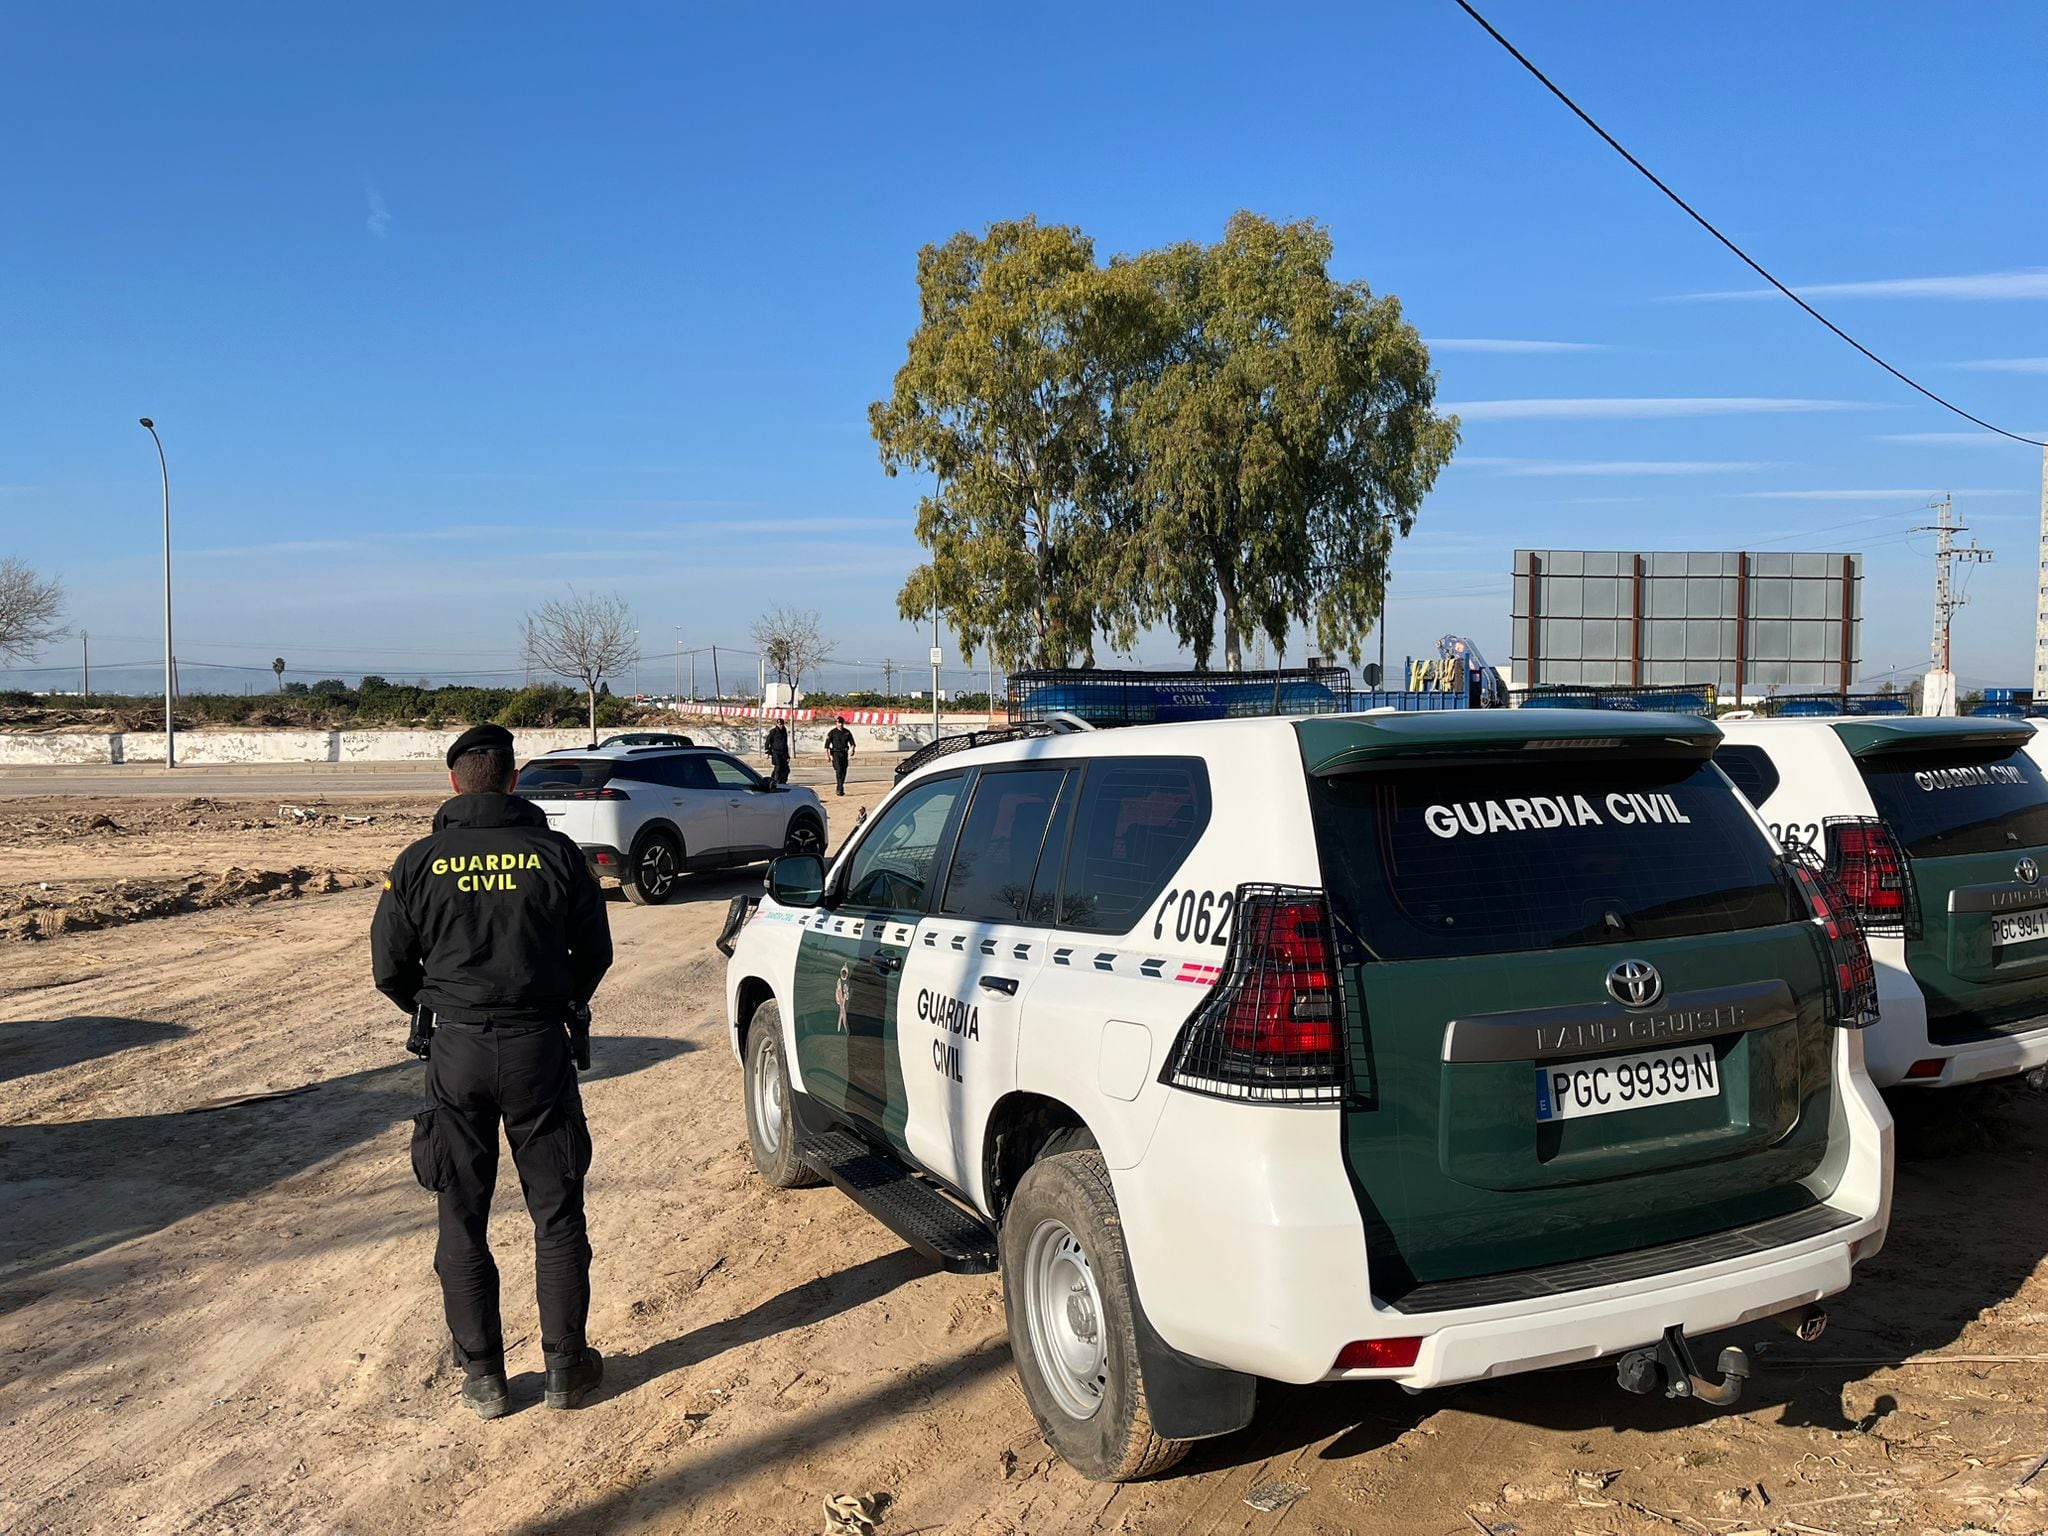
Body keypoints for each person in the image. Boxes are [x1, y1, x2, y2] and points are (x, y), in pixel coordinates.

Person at [371, 723, 614, 1421]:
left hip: (456, 1051)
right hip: (538, 1047)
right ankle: (567, 1367)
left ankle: (484, 1376)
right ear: (513, 782)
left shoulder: (418, 862)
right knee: (557, 1212)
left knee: (461, 1212)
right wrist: (559, 997)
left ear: (454, 783)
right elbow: (594, 953)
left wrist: (435, 1002)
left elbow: (388, 965)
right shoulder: (558, 855)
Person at [824, 716, 856, 796]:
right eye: (839, 723)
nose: (840, 724)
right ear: (836, 723)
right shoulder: (832, 732)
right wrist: (827, 755)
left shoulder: (847, 732)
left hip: (844, 753)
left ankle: (840, 787)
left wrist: (852, 750)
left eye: (841, 723)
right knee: (838, 771)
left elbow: (852, 743)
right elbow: (827, 745)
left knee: (844, 772)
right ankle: (840, 789)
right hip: (835, 753)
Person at [765, 719, 791, 786]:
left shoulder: (784, 732)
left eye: (781, 724)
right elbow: (768, 741)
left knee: (786, 768)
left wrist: (788, 755)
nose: (780, 726)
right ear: (777, 724)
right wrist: (767, 751)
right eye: (779, 724)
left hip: (784, 752)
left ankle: (782, 781)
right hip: (776, 752)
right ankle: (775, 781)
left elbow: (785, 744)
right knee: (778, 767)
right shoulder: (773, 731)